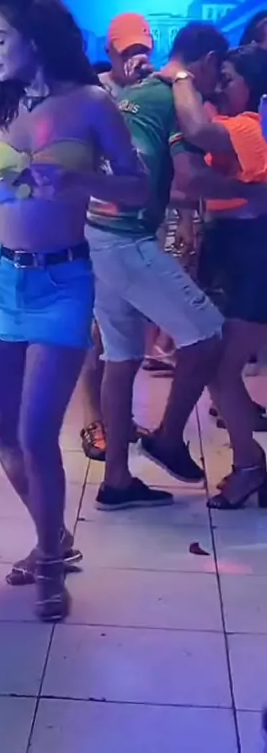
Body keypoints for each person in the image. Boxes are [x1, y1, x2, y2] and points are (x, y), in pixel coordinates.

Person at [0, 0, 149, 620]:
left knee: (35, 433)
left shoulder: (91, 104)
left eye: (0, 38)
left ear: (35, 37)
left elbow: (138, 188)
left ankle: (50, 562)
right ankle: (53, 537)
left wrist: (80, 179)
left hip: (62, 282)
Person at [86, 22, 265, 511]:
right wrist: (249, 194)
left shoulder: (138, 90)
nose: (217, 87)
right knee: (207, 337)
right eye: (217, 75)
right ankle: (168, 440)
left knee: (121, 358)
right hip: (128, 237)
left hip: (99, 230)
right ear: (206, 62)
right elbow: (190, 175)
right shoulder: (175, 100)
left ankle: (117, 481)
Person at [163, 44, 267, 508]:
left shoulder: (250, 126)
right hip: (232, 252)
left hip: (253, 256)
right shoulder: (236, 123)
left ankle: (250, 467)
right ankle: (251, 464)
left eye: (229, 78)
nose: (221, 86)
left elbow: (198, 131)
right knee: (218, 367)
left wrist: (181, 77)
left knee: (222, 368)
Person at [79, 16, 154, 461]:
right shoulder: (95, 94)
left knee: (128, 333)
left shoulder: (153, 94)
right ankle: (95, 419)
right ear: (110, 52)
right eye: (127, 52)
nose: (136, 59)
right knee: (98, 330)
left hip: (136, 226)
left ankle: (118, 416)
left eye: (141, 50)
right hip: (94, 224)